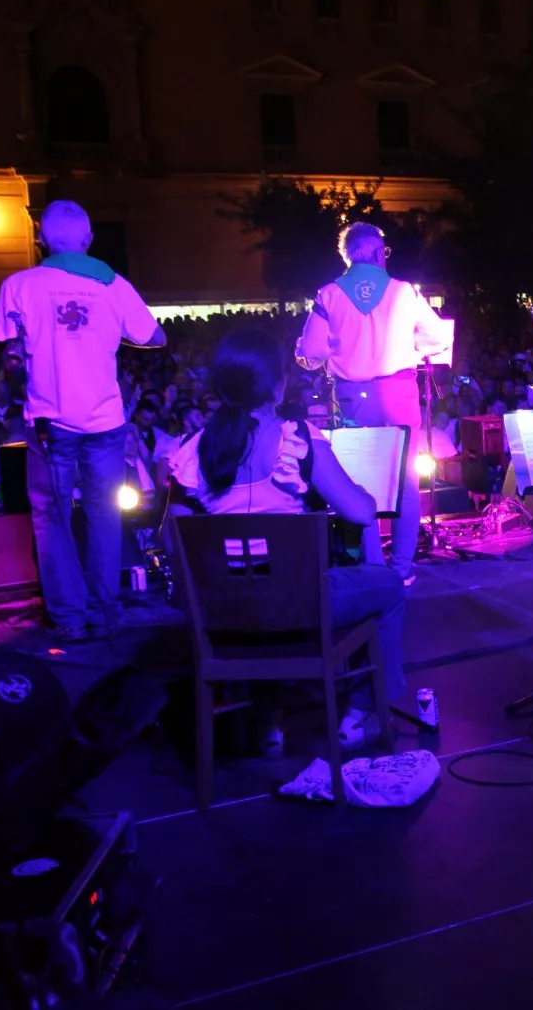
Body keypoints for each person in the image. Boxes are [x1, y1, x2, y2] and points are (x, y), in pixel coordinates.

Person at [166, 329, 405, 753]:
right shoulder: (299, 440)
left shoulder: (193, 449)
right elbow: (362, 513)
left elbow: (174, 542)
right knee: (386, 585)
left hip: (223, 611)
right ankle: (364, 712)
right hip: (299, 608)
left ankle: (267, 717)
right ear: (278, 382)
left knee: (260, 590)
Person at [0, 200, 167, 640]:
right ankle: (105, 611)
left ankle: (70, 620)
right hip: (106, 419)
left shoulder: (18, 284)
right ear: (89, 240)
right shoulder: (114, 283)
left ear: (40, 239)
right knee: (104, 513)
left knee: (51, 516)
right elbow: (154, 337)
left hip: (51, 422)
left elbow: (11, 354)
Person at [295, 222, 451, 584]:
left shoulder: (329, 295)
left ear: (348, 255)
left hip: (353, 397)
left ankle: (374, 567)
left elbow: (313, 352)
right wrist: (410, 347)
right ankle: (402, 569)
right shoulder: (404, 291)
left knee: (360, 481)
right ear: (379, 252)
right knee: (406, 480)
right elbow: (438, 338)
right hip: (398, 393)